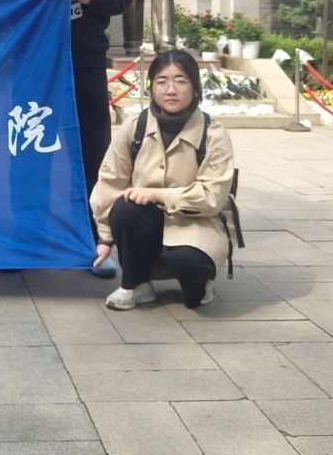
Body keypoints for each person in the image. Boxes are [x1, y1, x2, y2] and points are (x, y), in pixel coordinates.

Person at [0, 0, 131, 277]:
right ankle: (23, 242)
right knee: (27, 156)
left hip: (84, 65)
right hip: (32, 68)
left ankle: (95, 244)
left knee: (92, 155)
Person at [91, 49, 235, 310]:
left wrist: (159, 194)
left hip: (196, 223)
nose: (171, 90)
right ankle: (136, 284)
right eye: (162, 81)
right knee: (124, 208)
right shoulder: (134, 126)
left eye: (181, 81)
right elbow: (110, 182)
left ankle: (200, 284)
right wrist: (105, 239)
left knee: (187, 266)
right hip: (147, 221)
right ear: (151, 87)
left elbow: (212, 198)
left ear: (195, 88)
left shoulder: (213, 134)